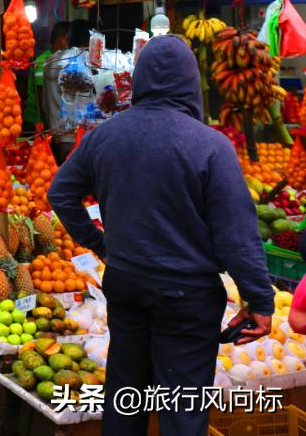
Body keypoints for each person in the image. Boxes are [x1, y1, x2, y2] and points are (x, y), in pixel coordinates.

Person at [48, 35, 272, 436]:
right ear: (192, 82)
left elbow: (60, 193)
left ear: (142, 78)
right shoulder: (210, 146)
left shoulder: (105, 136)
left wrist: (102, 246)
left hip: (126, 284)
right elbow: (237, 236)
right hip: (187, 296)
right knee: (182, 409)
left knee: (126, 395)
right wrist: (259, 299)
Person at [45, 19, 90, 163]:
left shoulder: (51, 61)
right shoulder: (71, 63)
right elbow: (79, 101)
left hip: (57, 132)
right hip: (71, 136)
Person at [26, 21, 69, 129]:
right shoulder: (43, 62)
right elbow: (42, 98)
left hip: (50, 121)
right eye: (69, 40)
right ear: (62, 39)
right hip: (36, 122)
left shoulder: (60, 60)